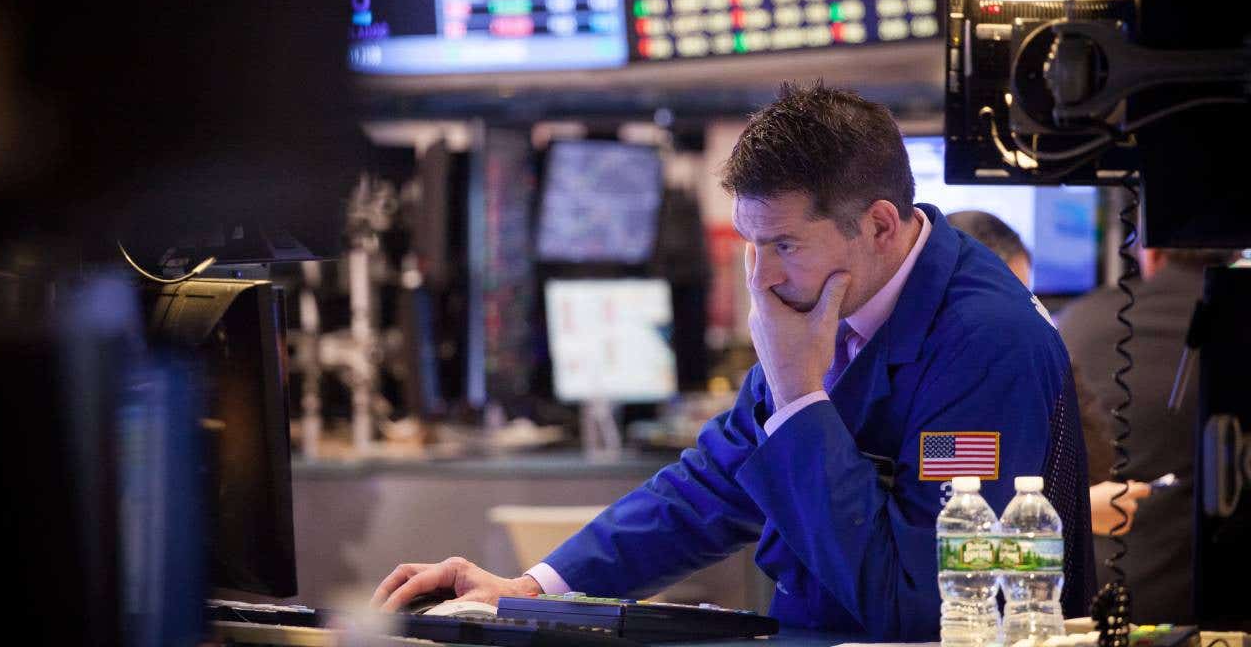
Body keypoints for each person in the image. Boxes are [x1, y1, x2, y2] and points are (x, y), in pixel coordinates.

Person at [371, 84, 1095, 640]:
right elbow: (708, 489)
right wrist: (530, 589)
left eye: (782, 244)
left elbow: (917, 606)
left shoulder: (985, 345)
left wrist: (801, 398)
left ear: (878, 225)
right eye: (752, 246)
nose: (760, 280)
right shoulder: (820, 311)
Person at [1057, 246, 1239, 624]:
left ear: (1151, 253)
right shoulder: (1240, 319)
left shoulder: (1077, 322)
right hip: (1223, 609)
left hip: (1087, 611)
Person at [945, 210, 1152, 538]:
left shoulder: (1035, 357)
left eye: (1027, 298)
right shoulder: (928, 381)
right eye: (1009, 301)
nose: (1023, 315)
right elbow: (942, 510)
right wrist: (1068, 510)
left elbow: (1094, 463)